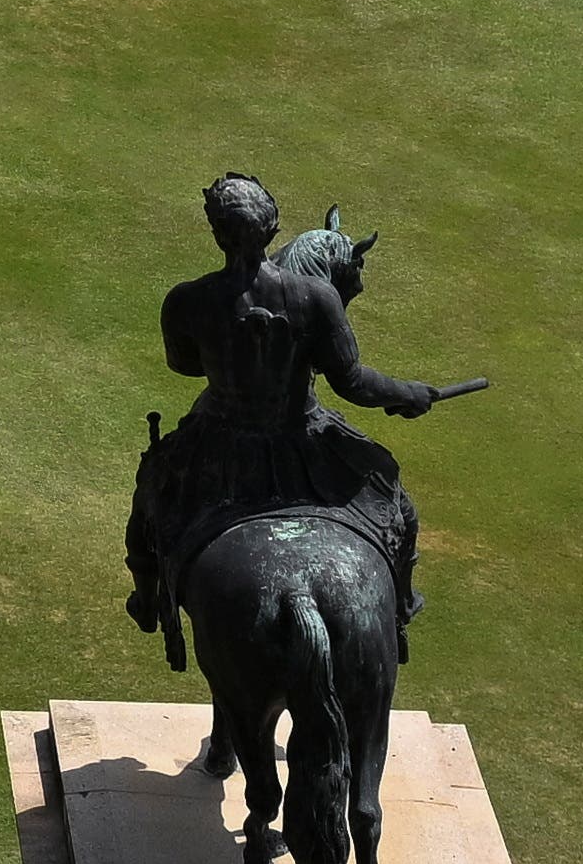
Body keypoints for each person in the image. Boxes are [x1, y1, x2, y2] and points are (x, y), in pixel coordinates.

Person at [119, 175, 480, 644]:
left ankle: (147, 602)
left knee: (149, 496)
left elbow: (182, 365)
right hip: (304, 444)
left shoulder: (186, 300)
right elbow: (352, 382)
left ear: (217, 234)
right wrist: (407, 392)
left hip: (219, 444)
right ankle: (404, 600)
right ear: (273, 231)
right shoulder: (317, 298)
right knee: (393, 494)